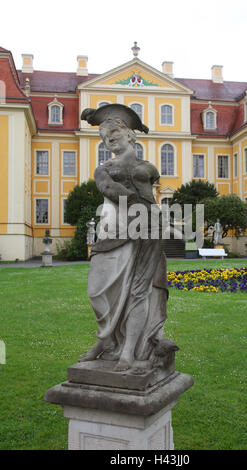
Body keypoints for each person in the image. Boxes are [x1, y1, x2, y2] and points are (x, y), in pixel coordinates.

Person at [79, 104, 169, 372]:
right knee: (97, 291)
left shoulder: (148, 167)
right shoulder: (103, 169)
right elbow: (109, 188)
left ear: (131, 134)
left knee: (139, 292)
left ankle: (128, 351)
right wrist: (134, 202)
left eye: (115, 131)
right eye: (105, 136)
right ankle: (106, 340)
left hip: (148, 230)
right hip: (114, 232)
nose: (110, 138)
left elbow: (149, 187)